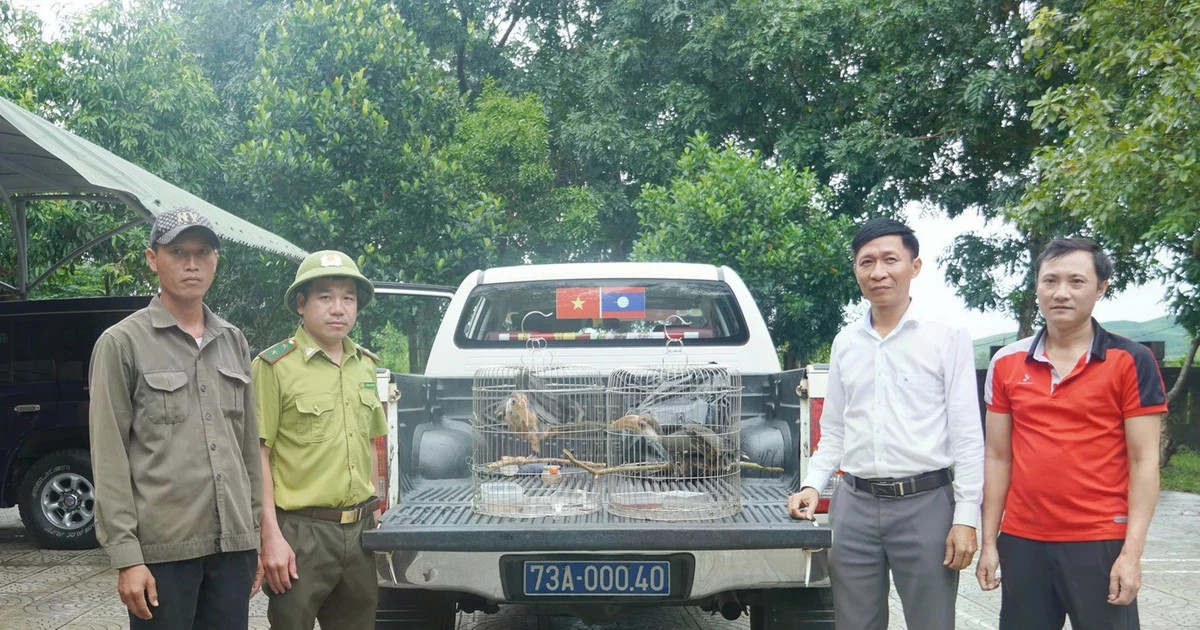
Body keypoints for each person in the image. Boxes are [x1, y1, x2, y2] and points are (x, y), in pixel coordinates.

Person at [787, 217, 984, 630]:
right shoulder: (846, 342)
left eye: (890, 259)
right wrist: (812, 484)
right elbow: (836, 430)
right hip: (854, 506)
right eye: (866, 262)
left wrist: (966, 517)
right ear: (856, 270)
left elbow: (968, 436)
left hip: (926, 505)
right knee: (854, 623)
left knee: (931, 623)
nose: (878, 271)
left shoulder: (946, 335)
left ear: (914, 266)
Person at [976, 237, 1166, 629]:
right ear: (1037, 288)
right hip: (1023, 540)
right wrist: (990, 542)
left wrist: (1131, 553)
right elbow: (997, 455)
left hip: (1100, 541)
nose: (1061, 292)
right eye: (1050, 281)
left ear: (1100, 289)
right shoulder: (1007, 363)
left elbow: (1144, 460)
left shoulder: (1131, 360)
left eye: (1076, 281)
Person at [89, 207, 263, 628]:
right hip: (164, 554)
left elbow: (247, 446)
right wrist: (127, 558)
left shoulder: (233, 340)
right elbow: (109, 455)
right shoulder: (121, 343)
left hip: (232, 549)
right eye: (178, 251)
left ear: (215, 260)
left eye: (203, 252)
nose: (191, 263)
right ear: (153, 259)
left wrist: (254, 536)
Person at [253, 250, 387, 630]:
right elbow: (257, 456)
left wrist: (379, 515)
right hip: (300, 534)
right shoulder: (274, 367)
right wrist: (270, 538)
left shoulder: (365, 364)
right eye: (325, 297)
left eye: (348, 298)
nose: (338, 308)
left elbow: (372, 445)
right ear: (301, 303)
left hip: (361, 532)